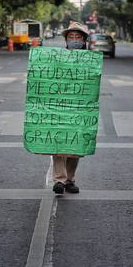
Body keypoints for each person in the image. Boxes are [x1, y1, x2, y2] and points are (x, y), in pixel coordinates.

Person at [52, 21, 91, 195]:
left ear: (84, 40)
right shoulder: (57, 58)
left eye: (78, 37)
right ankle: (59, 180)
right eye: (71, 37)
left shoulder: (91, 61)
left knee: (75, 143)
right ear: (66, 40)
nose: (74, 40)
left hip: (80, 107)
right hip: (60, 105)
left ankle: (69, 179)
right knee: (59, 142)